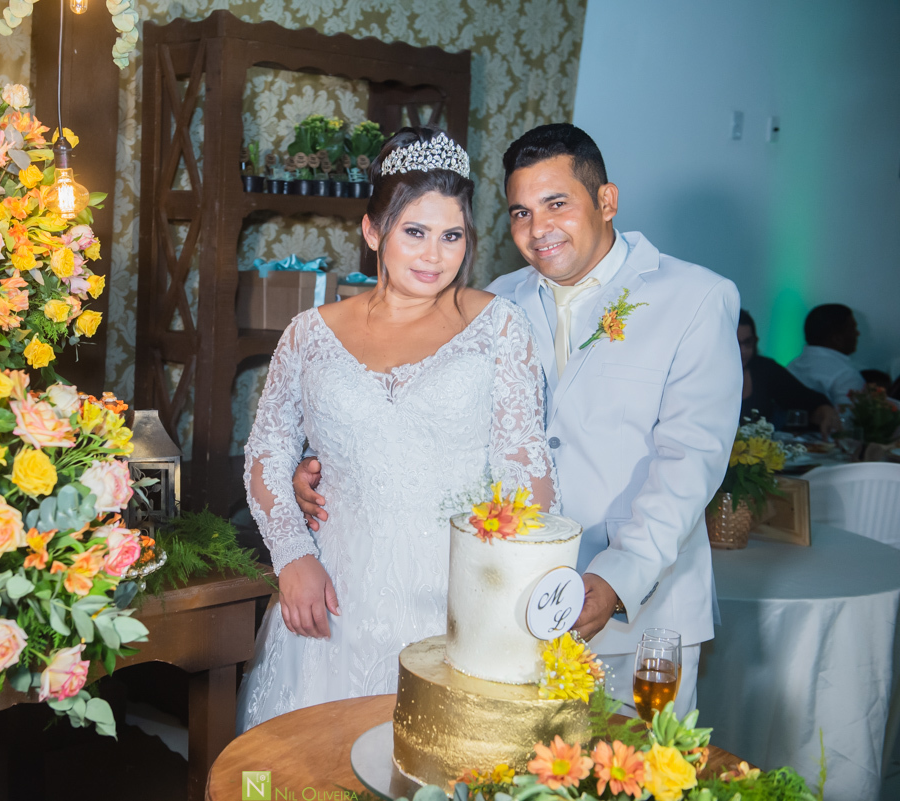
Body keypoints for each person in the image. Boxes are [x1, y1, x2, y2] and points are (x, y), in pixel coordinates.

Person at [295, 123, 741, 716]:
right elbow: (418, 414)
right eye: (520, 213)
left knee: (632, 764)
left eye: (557, 204)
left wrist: (617, 578)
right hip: (504, 608)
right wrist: (325, 462)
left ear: (606, 201)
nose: (538, 229)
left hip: (639, 615)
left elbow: (690, 461)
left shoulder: (694, 298)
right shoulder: (492, 303)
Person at [236, 127, 558, 733]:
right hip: (331, 592)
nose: (434, 255)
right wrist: (292, 556)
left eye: (451, 236)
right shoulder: (308, 333)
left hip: (455, 597)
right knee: (308, 761)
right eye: (415, 232)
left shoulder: (498, 327)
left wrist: (510, 593)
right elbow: (267, 452)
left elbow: (526, 469)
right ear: (372, 231)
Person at [738, 310, 838, 436]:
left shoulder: (764, 369)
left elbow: (806, 399)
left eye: (748, 342)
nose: (743, 351)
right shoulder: (711, 375)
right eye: (735, 343)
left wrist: (825, 411)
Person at [787, 304, 865, 408]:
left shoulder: (791, 366)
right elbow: (850, 417)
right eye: (853, 328)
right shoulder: (845, 375)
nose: (857, 333)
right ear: (837, 338)